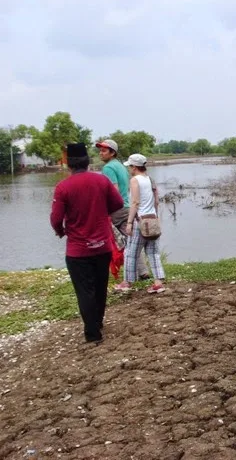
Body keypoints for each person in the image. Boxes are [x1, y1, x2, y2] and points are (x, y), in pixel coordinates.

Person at [50, 143, 124, 343]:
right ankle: (97, 322)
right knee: (100, 288)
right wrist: (100, 212)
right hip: (102, 246)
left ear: (68, 164)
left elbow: (56, 219)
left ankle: (93, 334)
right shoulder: (101, 181)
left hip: (78, 250)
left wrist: (61, 231)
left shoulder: (63, 187)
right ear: (87, 160)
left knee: (85, 291)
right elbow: (118, 203)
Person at [95, 139, 151, 280]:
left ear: (112, 152)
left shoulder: (108, 168)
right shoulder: (120, 166)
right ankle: (142, 272)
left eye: (104, 150)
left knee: (130, 241)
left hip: (117, 210)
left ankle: (140, 273)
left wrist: (106, 208)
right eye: (100, 150)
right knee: (132, 239)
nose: (100, 153)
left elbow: (114, 190)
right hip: (126, 206)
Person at [114, 154, 166, 294]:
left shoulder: (135, 180)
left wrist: (129, 222)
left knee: (130, 252)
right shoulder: (151, 180)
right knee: (153, 252)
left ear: (135, 167)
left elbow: (135, 202)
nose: (129, 169)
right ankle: (158, 282)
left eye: (130, 166)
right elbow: (156, 201)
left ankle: (127, 282)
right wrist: (155, 217)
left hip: (139, 221)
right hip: (152, 219)